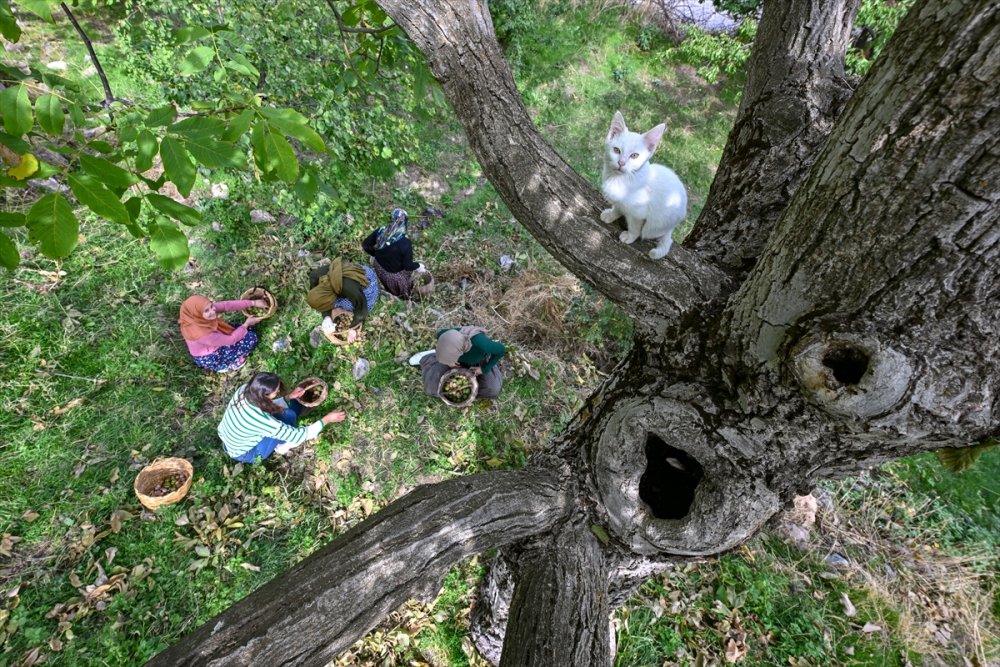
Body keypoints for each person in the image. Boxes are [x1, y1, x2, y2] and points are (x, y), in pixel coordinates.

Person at [217, 372, 346, 463]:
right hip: (246, 453)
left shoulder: (244, 389)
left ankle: (293, 411)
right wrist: (327, 419)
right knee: (289, 415)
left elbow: (264, 406)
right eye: (276, 392)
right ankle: (282, 447)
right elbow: (299, 435)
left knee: (290, 411)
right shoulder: (261, 421)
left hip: (228, 436)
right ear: (265, 394)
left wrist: (288, 397)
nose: (278, 392)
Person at [179, 294, 267, 372]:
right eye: (207, 311)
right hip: (212, 356)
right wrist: (246, 324)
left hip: (215, 337)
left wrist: (253, 303)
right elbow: (231, 340)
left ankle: (243, 330)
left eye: (211, 306)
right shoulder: (202, 334)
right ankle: (228, 365)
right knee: (251, 338)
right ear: (197, 313)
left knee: (247, 329)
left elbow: (226, 306)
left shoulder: (192, 316)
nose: (212, 311)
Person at [420, 326, 506, 399]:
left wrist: (484, 369)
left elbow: (501, 350)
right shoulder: (445, 335)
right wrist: (450, 362)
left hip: (478, 360)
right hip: (454, 360)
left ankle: (471, 391)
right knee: (431, 389)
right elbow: (439, 334)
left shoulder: (481, 343)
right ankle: (433, 356)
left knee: (493, 388)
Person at [306, 257, 379, 344]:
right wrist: (327, 317)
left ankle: (338, 308)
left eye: (326, 305)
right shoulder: (315, 277)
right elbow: (319, 296)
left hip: (364, 279)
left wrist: (353, 329)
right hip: (345, 279)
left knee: (347, 305)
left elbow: (361, 307)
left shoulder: (348, 288)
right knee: (334, 303)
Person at [361, 208, 426, 298]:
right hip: (393, 275)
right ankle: (403, 299)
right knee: (404, 288)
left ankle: (391, 293)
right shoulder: (405, 243)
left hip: (379, 267)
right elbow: (408, 266)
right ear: (405, 222)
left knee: (393, 283)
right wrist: (418, 266)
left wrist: (376, 254)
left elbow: (365, 245)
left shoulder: (380, 231)